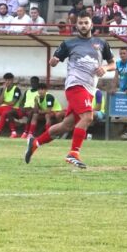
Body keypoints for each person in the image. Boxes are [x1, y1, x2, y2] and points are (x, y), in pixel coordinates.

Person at [24, 15, 115, 168]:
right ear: (76, 25)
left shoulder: (101, 43)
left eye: (86, 23)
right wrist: (53, 61)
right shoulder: (69, 43)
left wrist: (105, 68)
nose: (84, 25)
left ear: (92, 25)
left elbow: (113, 64)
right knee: (87, 117)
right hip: (75, 86)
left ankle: (35, 142)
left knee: (66, 126)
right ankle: (73, 153)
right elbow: (54, 60)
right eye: (81, 23)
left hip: (89, 89)